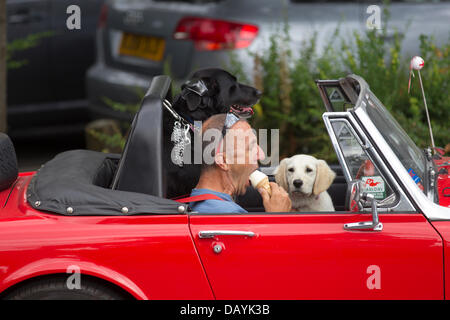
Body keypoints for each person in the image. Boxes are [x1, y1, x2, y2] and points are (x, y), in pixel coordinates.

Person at [189, 113, 292, 213]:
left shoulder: (195, 201)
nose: (261, 155)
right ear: (224, 161)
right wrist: (278, 216)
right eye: (251, 147)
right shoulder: (229, 214)